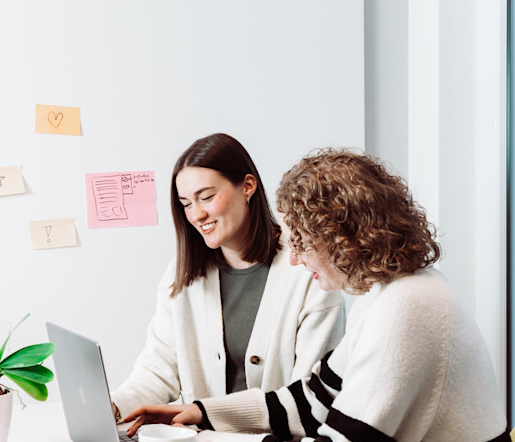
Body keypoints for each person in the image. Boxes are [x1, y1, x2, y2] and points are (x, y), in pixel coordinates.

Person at [126, 148, 515, 442]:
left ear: (344, 237)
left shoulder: (409, 309)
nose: (294, 258)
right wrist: (199, 414)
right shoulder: (387, 294)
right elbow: (311, 399)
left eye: (302, 242)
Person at [110, 134, 345, 421]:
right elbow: (159, 370)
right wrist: (114, 407)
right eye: (186, 203)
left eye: (206, 197)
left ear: (247, 186)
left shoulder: (308, 271)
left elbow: (312, 397)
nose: (196, 214)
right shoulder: (181, 274)